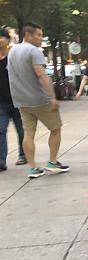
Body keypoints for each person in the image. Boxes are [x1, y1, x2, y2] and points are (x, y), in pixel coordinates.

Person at [7, 22, 69, 178]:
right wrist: (52, 97)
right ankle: (53, 162)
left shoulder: (12, 52)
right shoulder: (34, 51)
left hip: (21, 101)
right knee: (55, 128)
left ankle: (33, 168)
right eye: (39, 35)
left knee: (28, 133)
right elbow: (42, 75)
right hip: (40, 99)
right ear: (28, 35)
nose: (41, 38)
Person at [0, 27, 26, 171]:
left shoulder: (13, 56)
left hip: (17, 99)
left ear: (7, 40)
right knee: (0, 130)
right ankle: (1, 160)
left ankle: (23, 155)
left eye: (1, 37)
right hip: (1, 102)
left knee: (21, 130)